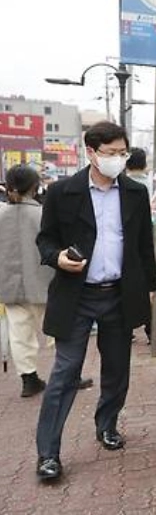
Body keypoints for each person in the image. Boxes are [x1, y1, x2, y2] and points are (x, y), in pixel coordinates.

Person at [34, 121, 156, 481]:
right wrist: (57, 257)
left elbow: (142, 245)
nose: (119, 159)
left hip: (119, 295)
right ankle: (48, 453)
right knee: (65, 372)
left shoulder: (135, 193)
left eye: (123, 153)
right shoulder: (62, 192)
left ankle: (107, 424)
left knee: (118, 369)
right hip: (76, 295)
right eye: (111, 153)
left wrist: (149, 287)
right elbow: (45, 240)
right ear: (90, 152)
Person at [0, 165, 54, 397]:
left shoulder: (1, 215)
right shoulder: (44, 215)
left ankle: (28, 379)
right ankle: (68, 373)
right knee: (58, 331)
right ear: (35, 187)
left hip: (10, 285)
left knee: (19, 333)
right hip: (44, 283)